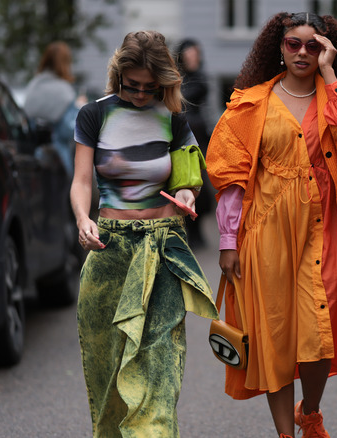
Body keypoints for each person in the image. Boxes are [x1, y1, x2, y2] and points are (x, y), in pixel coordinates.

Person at [206, 12, 337, 438]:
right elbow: (231, 179)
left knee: (319, 334)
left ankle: (309, 412)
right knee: (274, 334)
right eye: (294, 43)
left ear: (329, 51)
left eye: (315, 46)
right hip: (266, 232)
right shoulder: (250, 103)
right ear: (279, 47)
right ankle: (285, 434)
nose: (303, 52)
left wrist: (330, 73)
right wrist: (228, 239)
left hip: (326, 229)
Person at [70, 30, 218, 437]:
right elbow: (81, 181)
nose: (138, 94)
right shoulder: (95, 115)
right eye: (131, 85)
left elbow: (189, 180)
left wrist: (186, 195)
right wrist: (83, 218)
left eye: (148, 87)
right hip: (110, 247)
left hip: (161, 247)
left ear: (162, 82)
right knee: (107, 370)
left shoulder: (173, 118)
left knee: (159, 368)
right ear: (118, 75)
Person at [25, 41, 82, 178]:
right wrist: (79, 108)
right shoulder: (64, 91)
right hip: (59, 162)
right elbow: (70, 131)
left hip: (33, 162)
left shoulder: (33, 85)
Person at [176, 38, 213, 248]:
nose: (193, 58)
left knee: (200, 186)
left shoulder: (199, 79)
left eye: (195, 54)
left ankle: (196, 229)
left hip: (197, 138)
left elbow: (186, 99)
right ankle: (189, 230)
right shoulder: (176, 79)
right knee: (184, 182)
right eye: (189, 54)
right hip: (181, 140)